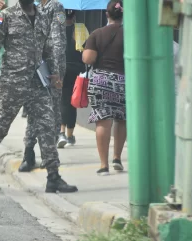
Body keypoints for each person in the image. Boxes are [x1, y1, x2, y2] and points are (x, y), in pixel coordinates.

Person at [0, 0, 78, 193]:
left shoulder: (43, 16)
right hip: (13, 82)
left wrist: (56, 73)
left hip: (38, 82)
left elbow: (48, 48)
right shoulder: (7, 16)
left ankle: (53, 176)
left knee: (47, 125)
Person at [0, 0, 67, 172]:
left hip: (49, 68)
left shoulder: (56, 7)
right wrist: (7, 11)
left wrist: (56, 72)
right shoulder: (35, 8)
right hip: (34, 67)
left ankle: (48, 157)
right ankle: (29, 154)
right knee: (34, 111)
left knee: (51, 113)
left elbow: (57, 42)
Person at [82, 0, 125, 176]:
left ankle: (103, 165)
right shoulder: (130, 34)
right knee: (122, 119)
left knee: (103, 121)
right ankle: (117, 158)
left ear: (107, 14)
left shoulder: (97, 34)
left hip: (100, 81)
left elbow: (88, 59)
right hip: (124, 81)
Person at [56, 10, 86, 148]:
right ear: (74, 16)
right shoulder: (80, 28)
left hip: (61, 68)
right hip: (77, 69)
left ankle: (61, 132)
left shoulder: (57, 29)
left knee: (63, 99)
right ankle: (69, 135)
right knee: (73, 101)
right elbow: (86, 48)